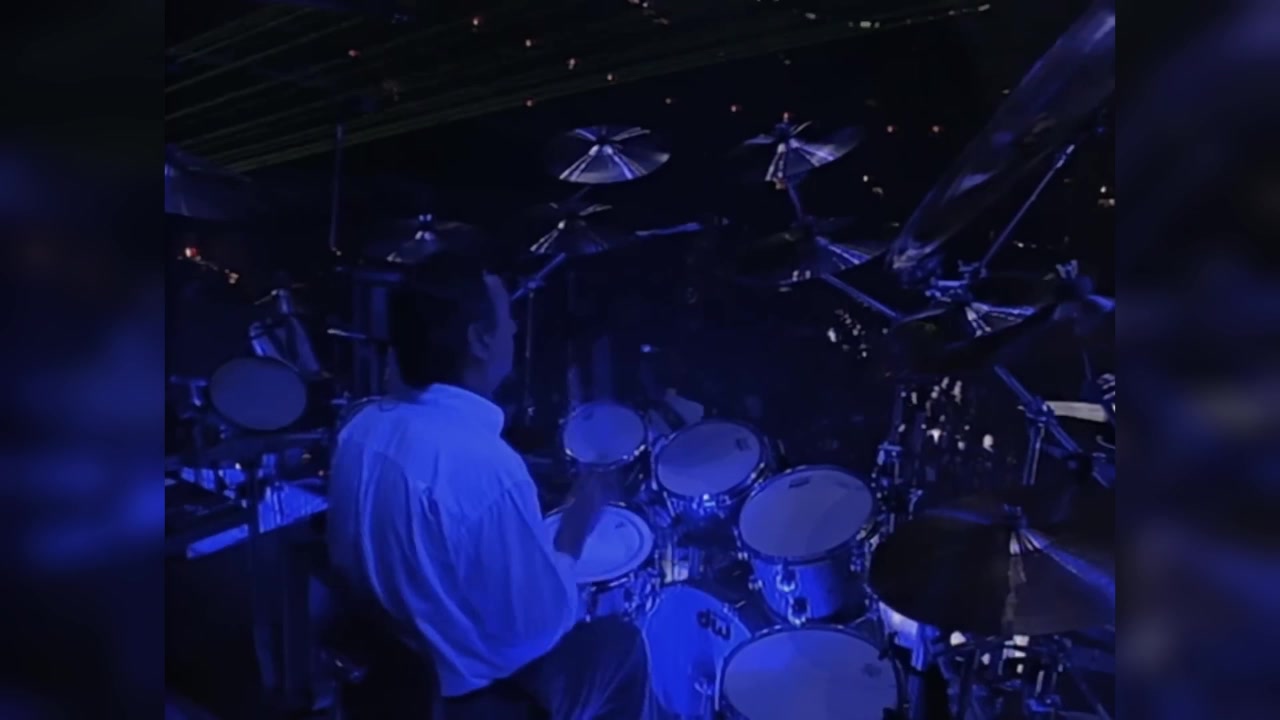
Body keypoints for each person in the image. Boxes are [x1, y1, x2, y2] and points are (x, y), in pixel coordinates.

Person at [326, 253, 654, 719]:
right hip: (467, 705)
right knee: (621, 645)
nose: (515, 329)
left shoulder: (360, 430)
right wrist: (572, 532)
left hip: (387, 682)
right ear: (479, 340)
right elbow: (534, 635)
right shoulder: (485, 467)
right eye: (507, 318)